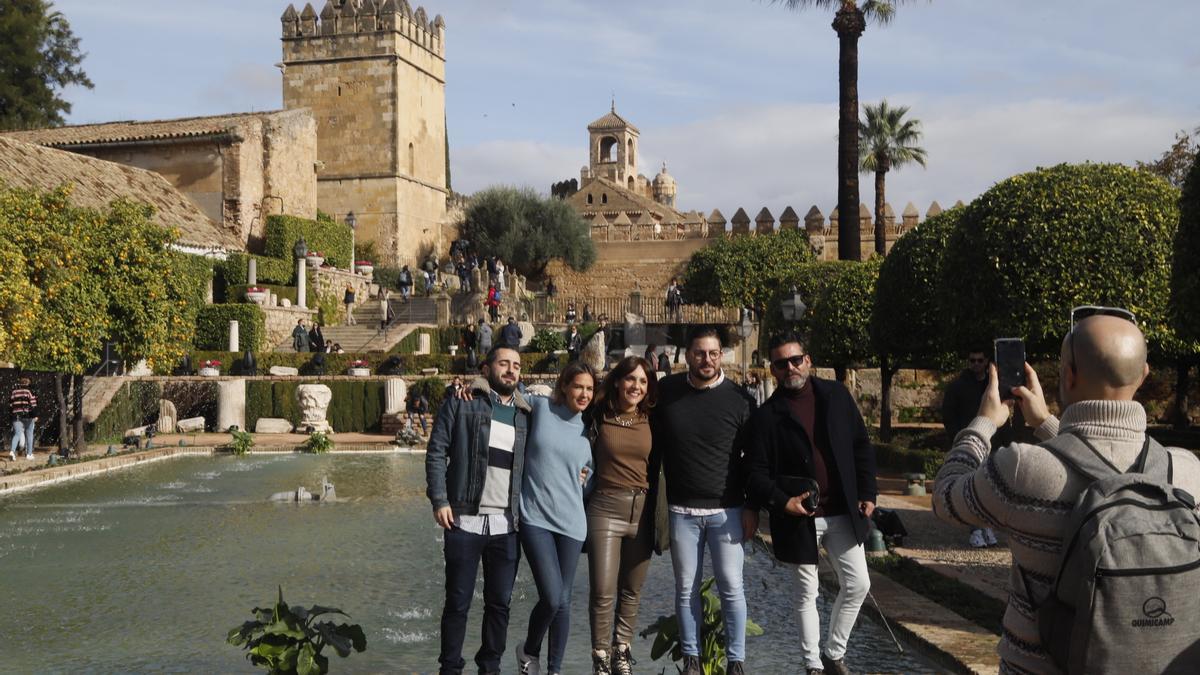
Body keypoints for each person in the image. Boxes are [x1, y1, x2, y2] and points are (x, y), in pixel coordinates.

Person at [932, 308, 1200, 674]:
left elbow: (946, 497)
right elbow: (1107, 467)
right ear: (1144, 375)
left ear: (1068, 374)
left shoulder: (1020, 468)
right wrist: (1045, 423)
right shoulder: (1185, 472)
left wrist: (983, 424)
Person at [745, 332, 878, 675]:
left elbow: (860, 447)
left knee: (858, 583)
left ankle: (834, 653)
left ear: (808, 360)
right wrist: (782, 502)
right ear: (772, 369)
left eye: (795, 359)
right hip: (799, 517)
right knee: (807, 591)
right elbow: (755, 474)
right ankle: (813, 665)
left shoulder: (835, 396)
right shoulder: (766, 416)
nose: (790, 367)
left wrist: (868, 493)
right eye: (781, 363)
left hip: (842, 510)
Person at [652, 327, 757, 675]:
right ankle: (693, 661)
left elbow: (754, 459)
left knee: (731, 586)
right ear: (687, 355)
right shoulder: (666, 392)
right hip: (682, 511)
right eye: (699, 353)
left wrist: (752, 507)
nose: (707, 359)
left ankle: (736, 662)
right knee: (686, 589)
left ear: (722, 355)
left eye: (713, 353)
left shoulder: (740, 399)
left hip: (727, 510)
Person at [426, 346, 532, 675]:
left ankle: (490, 667)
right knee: (457, 603)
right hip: (464, 520)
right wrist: (440, 500)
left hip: (507, 525)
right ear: (487, 368)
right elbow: (436, 450)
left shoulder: (526, 412)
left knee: (499, 604)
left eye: (516, 365)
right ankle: (450, 668)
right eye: (504, 363)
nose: (511, 370)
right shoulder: (462, 400)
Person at [515, 362, 597, 675]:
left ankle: (554, 670)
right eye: (578, 386)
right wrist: (476, 387)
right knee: (551, 596)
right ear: (564, 386)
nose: (584, 394)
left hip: (573, 524)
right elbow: (506, 395)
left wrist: (588, 476)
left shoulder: (589, 427)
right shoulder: (540, 407)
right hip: (535, 517)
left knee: (563, 602)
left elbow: (590, 479)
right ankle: (529, 649)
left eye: (589, 388)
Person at [587, 356, 663, 675]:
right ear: (617, 381)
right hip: (606, 506)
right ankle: (601, 657)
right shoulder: (597, 414)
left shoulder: (654, 418)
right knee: (603, 590)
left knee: (632, 589)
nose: (636, 386)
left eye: (643, 381)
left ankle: (621, 650)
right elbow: (556, 403)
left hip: (643, 511)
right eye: (631, 379)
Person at [940, 350, 999, 548]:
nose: (975, 364)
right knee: (971, 488)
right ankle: (975, 529)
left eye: (979, 360)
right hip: (969, 445)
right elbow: (948, 415)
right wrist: (958, 438)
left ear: (986, 362)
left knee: (989, 488)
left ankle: (987, 526)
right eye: (972, 360)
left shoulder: (991, 387)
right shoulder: (957, 386)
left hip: (990, 442)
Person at [9, 377, 37, 461]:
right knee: (29, 435)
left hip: (16, 416)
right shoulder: (28, 391)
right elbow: (33, 404)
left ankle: (12, 452)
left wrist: (13, 414)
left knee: (17, 434)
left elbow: (10, 404)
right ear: (28, 383)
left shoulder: (14, 392)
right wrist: (35, 415)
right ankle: (29, 454)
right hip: (27, 416)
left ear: (20, 383)